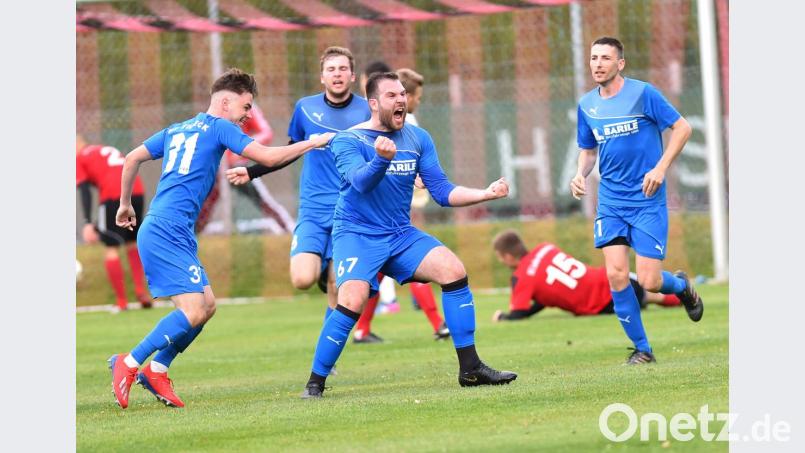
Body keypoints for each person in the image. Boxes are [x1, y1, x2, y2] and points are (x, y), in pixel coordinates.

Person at [108, 68, 334, 409]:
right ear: (225, 101)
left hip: (170, 229)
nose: (247, 116)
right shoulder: (220, 128)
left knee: (207, 306)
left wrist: (125, 205)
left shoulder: (179, 128)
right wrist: (312, 143)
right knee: (194, 309)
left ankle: (157, 368)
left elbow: (132, 158)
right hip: (167, 229)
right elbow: (269, 157)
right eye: (245, 107)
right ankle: (129, 362)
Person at [299, 72, 517, 399]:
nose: (400, 100)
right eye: (391, 96)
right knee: (352, 299)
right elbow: (360, 182)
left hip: (399, 234)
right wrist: (380, 161)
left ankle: (470, 369)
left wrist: (484, 194)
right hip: (356, 234)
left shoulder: (418, 138)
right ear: (373, 104)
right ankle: (315, 384)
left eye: (402, 94)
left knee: (453, 270)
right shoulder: (348, 140)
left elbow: (442, 191)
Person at [226, 47, 388, 344]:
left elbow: (386, 153)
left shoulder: (369, 110)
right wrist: (252, 172)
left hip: (352, 212)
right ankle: (326, 266)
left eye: (342, 69)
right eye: (331, 69)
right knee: (302, 278)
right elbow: (290, 151)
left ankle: (326, 355)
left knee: (339, 287)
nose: (337, 74)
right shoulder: (305, 108)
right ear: (321, 77)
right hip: (314, 209)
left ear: (353, 76)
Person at [570, 37, 703, 365]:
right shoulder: (587, 105)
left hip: (646, 201)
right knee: (616, 275)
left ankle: (682, 287)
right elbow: (588, 150)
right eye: (593, 58)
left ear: (620, 64)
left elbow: (682, 128)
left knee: (650, 282)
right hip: (611, 202)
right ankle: (642, 349)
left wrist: (660, 167)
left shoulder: (644, 94)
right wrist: (579, 174)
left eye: (605, 58)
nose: (597, 64)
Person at [489, 230, 683, 322]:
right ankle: (681, 290)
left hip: (601, 303)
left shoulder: (521, 277)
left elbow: (519, 312)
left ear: (507, 256)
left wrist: (502, 317)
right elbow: (547, 291)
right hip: (607, 278)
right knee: (650, 291)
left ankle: (680, 290)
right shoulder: (545, 247)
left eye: (500, 257)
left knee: (648, 295)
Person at [76, 134, 152, 311]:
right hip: (136, 191)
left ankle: (121, 301)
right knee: (132, 242)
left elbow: (84, 190)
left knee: (111, 248)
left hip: (114, 195)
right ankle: (141, 293)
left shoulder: (79, 158)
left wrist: (88, 222)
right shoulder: (99, 150)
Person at [195, 103, 295, 235]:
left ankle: (289, 230)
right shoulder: (217, 107)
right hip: (218, 167)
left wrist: (242, 147)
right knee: (204, 207)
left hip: (238, 167)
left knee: (264, 201)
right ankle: (189, 237)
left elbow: (266, 133)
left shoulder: (248, 106)